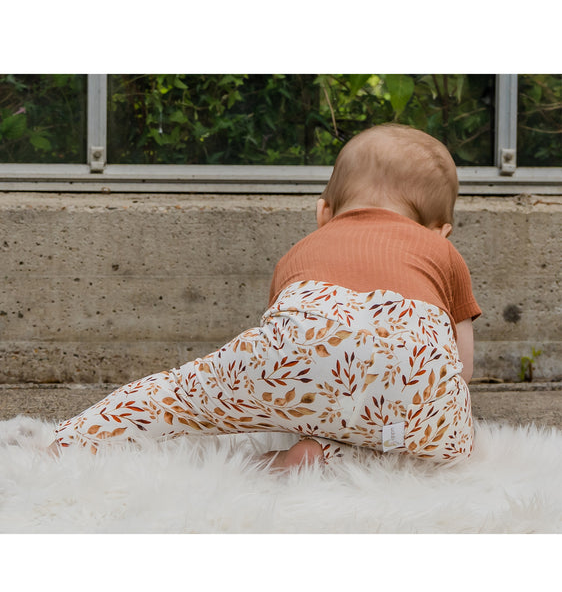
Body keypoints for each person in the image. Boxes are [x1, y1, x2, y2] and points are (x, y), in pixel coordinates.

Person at [49, 123, 481, 470]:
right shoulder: (443, 252)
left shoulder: (301, 251)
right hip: (416, 373)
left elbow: (283, 333)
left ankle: (72, 441)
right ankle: (328, 456)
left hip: (303, 347)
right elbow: (462, 365)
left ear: (324, 212)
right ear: (439, 230)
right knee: (442, 444)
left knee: (180, 396)